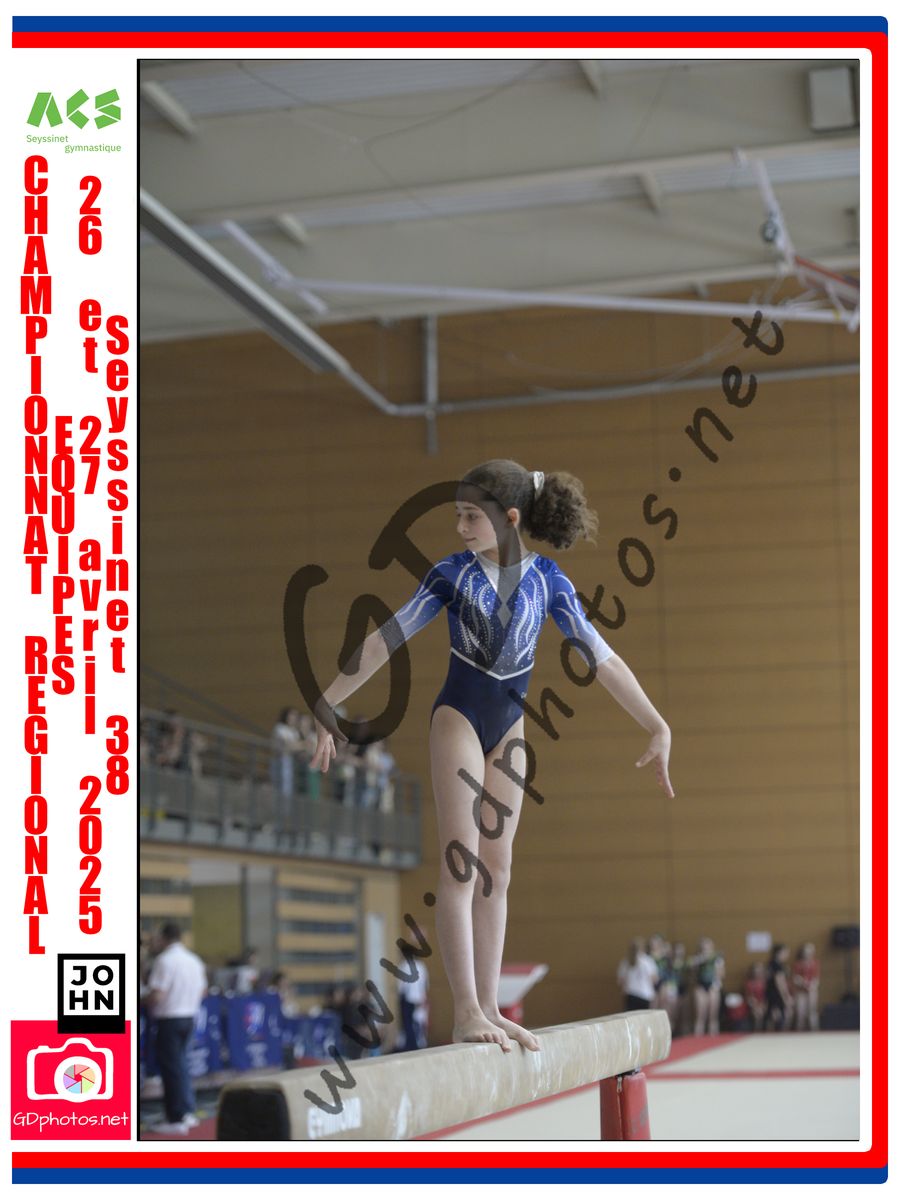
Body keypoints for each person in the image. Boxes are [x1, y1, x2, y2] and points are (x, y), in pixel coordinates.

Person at [307, 460, 675, 1053]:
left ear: (509, 518)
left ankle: (492, 1006)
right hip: (458, 719)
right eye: (457, 515)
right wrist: (328, 701)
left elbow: (601, 658)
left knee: (497, 873)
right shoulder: (449, 575)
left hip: (510, 730)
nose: (459, 527)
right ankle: (466, 1011)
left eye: (470, 516)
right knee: (461, 865)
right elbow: (385, 640)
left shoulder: (549, 580)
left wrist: (656, 723)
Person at [146, 923, 207, 1135]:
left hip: (170, 1019)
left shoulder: (165, 960)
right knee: (181, 1066)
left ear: (164, 938)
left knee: (171, 1069)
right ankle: (187, 1111)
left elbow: (158, 995)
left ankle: (175, 1117)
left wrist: (141, 1000)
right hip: (189, 1017)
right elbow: (203, 991)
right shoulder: (194, 960)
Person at [691, 937, 725, 1035]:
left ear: (712, 948)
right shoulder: (697, 959)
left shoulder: (717, 959)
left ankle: (713, 1036)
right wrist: (699, 962)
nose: (706, 950)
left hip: (713, 986)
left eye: (708, 947)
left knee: (713, 1015)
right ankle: (698, 1036)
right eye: (703, 948)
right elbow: (692, 973)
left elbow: (722, 974)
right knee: (700, 1014)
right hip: (701, 986)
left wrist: (716, 970)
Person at [617, 938, 659, 1010]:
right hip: (645, 995)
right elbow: (655, 980)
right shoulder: (647, 961)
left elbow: (620, 981)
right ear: (643, 948)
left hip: (630, 995)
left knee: (631, 1016)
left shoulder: (625, 962)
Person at [792, 942, 821, 1031]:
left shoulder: (815, 963)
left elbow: (816, 978)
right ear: (803, 952)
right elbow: (795, 978)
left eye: (810, 951)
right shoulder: (798, 964)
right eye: (806, 951)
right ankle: (800, 1032)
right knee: (801, 1013)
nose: (808, 953)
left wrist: (812, 986)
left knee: (812, 1012)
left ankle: (814, 1031)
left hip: (811, 989)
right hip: (800, 990)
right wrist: (802, 983)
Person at [765, 943, 794, 1031]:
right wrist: (786, 997)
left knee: (774, 1017)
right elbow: (780, 983)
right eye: (786, 952)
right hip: (776, 995)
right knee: (777, 1018)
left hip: (771, 994)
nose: (787, 955)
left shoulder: (771, 964)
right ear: (779, 953)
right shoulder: (777, 965)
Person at [744, 962, 767, 1032]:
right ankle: (757, 1031)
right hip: (754, 1004)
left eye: (760, 971)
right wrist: (755, 1006)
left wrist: (763, 1005)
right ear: (753, 972)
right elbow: (749, 997)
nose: (758, 973)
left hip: (764, 1003)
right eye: (756, 971)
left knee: (762, 1011)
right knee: (758, 1013)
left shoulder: (766, 982)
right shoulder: (750, 983)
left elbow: (768, 996)